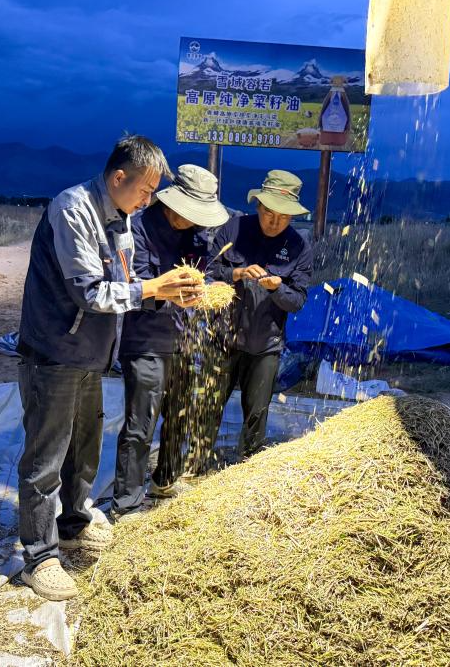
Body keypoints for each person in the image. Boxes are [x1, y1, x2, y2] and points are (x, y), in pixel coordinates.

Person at [16, 135, 202, 602]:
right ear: (119, 177)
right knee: (46, 458)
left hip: (91, 353)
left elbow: (126, 281)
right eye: (146, 190)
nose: (148, 201)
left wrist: (165, 292)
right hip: (55, 351)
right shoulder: (73, 210)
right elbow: (89, 292)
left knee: (84, 447)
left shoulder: (121, 218)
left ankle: (73, 523)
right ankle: (39, 556)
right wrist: (152, 289)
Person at [112, 164, 229, 520]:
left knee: (181, 412)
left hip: (183, 337)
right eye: (189, 213)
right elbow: (133, 286)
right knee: (141, 421)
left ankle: (165, 479)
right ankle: (128, 503)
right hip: (145, 338)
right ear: (171, 203)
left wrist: (210, 289)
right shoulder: (138, 229)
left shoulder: (198, 236)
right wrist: (169, 292)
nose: (193, 221)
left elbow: (207, 273)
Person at [200, 169, 313, 466]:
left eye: (283, 217)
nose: (274, 222)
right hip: (223, 338)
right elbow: (208, 272)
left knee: (256, 414)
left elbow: (297, 301)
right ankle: (196, 466)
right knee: (207, 408)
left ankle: (247, 468)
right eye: (269, 213)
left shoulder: (299, 247)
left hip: (265, 344)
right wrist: (236, 273)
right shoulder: (234, 230)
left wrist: (277, 288)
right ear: (258, 205)